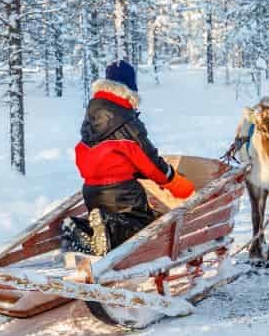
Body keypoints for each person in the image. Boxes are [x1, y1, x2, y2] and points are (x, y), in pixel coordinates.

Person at [68, 60, 194, 255]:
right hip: (123, 194)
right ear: (129, 88)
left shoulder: (92, 117)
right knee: (146, 228)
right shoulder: (126, 119)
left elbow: (102, 157)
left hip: (92, 192)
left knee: (111, 227)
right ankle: (108, 227)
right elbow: (150, 162)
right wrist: (174, 181)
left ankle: (81, 228)